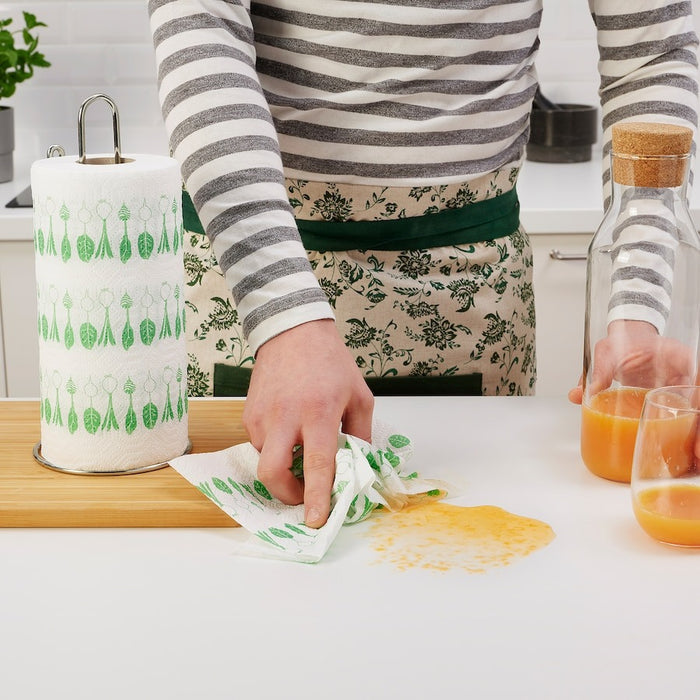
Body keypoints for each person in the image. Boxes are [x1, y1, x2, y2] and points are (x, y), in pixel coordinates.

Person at [148, 0, 699, 527]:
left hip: (474, 299)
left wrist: (639, 311)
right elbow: (201, 32)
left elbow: (651, 58)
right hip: (255, 283)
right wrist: (283, 316)